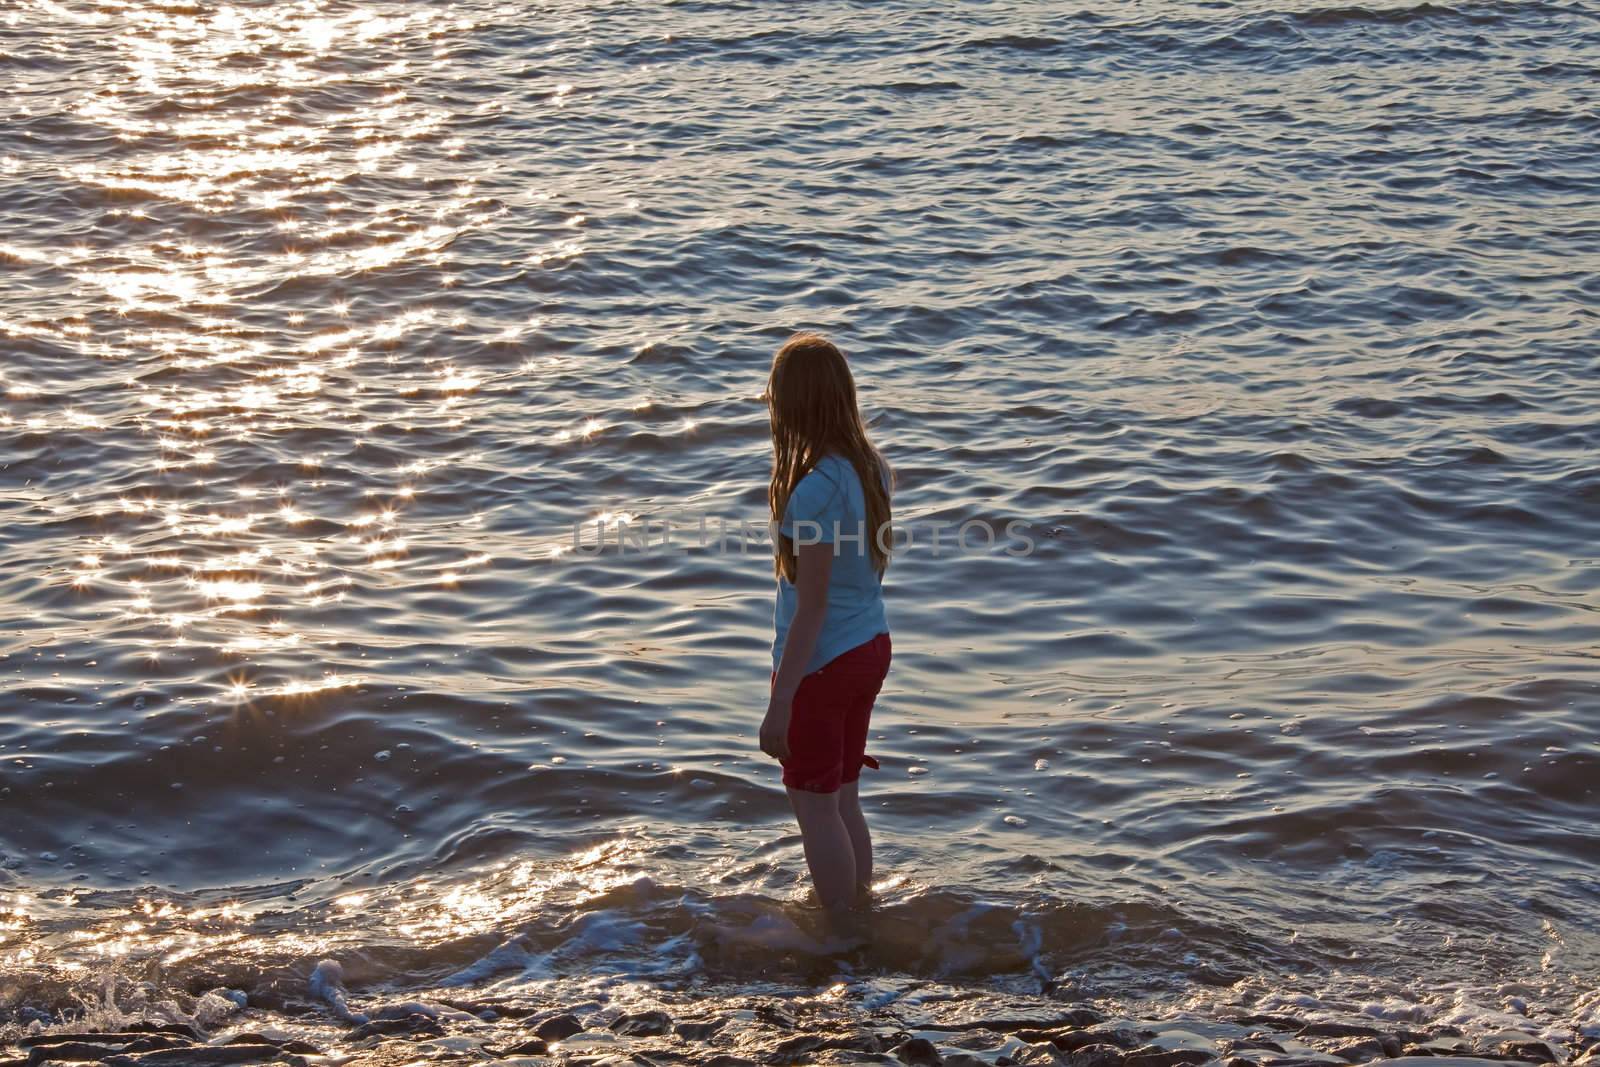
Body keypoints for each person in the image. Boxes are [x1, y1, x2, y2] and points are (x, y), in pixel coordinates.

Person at [758, 331, 893, 914]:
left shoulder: (812, 493)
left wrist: (781, 701)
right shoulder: (872, 469)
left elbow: (810, 608)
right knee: (842, 799)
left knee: (815, 809)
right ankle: (859, 913)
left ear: (791, 408)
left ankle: (842, 936)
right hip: (870, 644)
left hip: (826, 661)